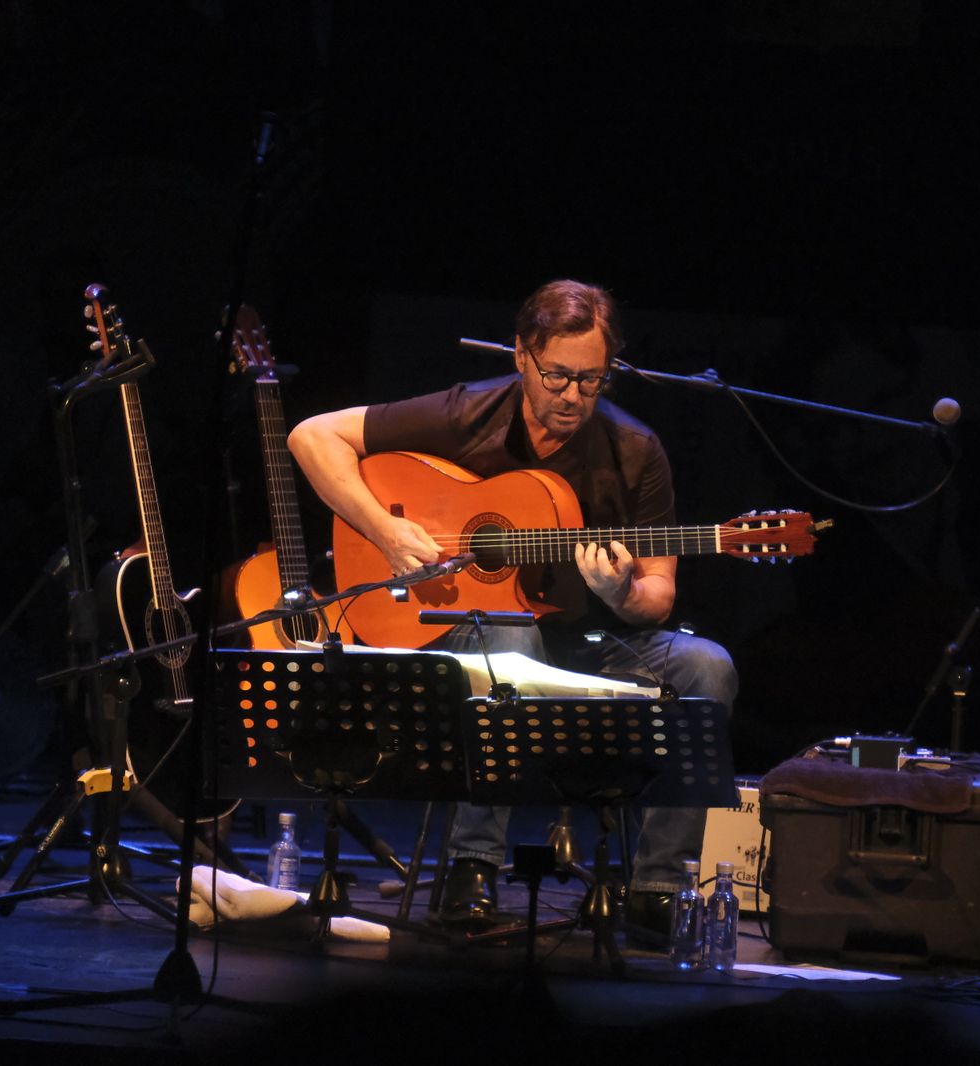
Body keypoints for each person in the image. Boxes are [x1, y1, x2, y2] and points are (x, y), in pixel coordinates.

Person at [288, 279, 737, 946]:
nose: (573, 395)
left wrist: (618, 592)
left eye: (591, 379)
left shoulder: (635, 451)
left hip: (591, 644)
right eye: (557, 375)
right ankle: (471, 867)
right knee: (510, 631)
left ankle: (657, 890)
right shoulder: (466, 414)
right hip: (464, 639)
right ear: (522, 355)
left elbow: (658, 596)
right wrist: (385, 530)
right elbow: (312, 435)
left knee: (706, 666)